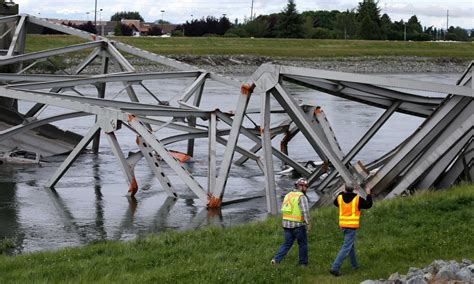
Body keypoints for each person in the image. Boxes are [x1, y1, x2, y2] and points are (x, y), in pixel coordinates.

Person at [329, 183, 372, 277]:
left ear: (345, 189)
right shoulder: (357, 199)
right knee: (346, 247)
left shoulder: (340, 197)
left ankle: (355, 266)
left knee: (350, 246)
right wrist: (368, 194)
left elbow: (335, 203)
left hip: (343, 226)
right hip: (351, 227)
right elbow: (369, 205)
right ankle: (335, 268)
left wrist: (342, 192)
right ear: (354, 189)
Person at [271, 178, 311, 267]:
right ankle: (303, 263)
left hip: (286, 225)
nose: (307, 188)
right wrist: (308, 223)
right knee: (302, 244)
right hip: (298, 225)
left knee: (287, 243)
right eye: (306, 186)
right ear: (301, 186)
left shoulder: (288, 195)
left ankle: (276, 259)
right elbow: (305, 212)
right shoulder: (301, 197)